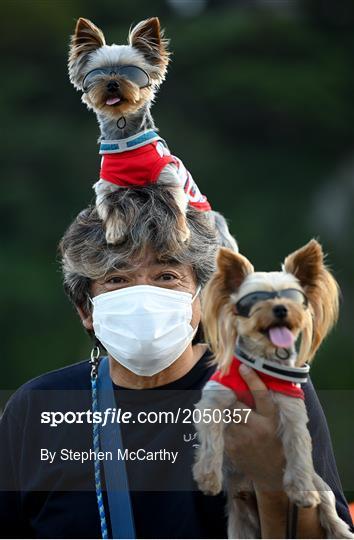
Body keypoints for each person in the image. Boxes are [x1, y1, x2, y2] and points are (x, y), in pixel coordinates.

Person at [0, 186, 353, 539]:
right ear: (85, 309)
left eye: (166, 276)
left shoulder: (259, 389)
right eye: (117, 279)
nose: (142, 297)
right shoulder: (37, 407)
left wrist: (272, 473)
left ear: (202, 298)